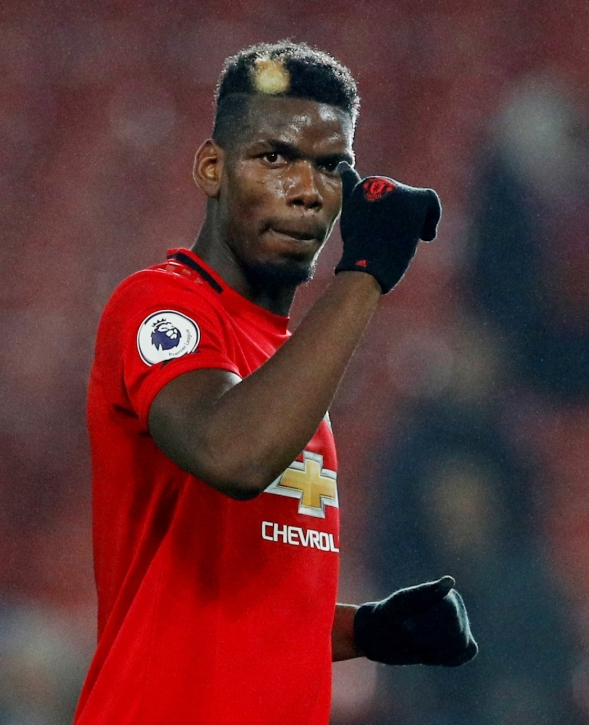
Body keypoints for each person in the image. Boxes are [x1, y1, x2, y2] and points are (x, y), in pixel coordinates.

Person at [74, 41, 477, 725]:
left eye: (331, 167)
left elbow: (241, 601)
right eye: (274, 157)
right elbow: (234, 454)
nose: (306, 187)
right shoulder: (160, 305)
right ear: (212, 168)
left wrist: (370, 630)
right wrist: (366, 272)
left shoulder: (288, 368)